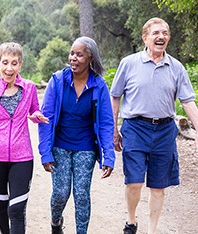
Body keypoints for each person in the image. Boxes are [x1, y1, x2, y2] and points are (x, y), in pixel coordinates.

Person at [110, 17, 198, 234]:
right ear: (145, 38)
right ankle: (131, 222)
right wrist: (113, 130)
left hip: (165, 130)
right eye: (156, 33)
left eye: (165, 33)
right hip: (135, 128)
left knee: (158, 185)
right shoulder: (129, 63)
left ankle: (152, 230)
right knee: (134, 182)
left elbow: (188, 102)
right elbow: (115, 96)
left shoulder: (176, 67)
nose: (161, 37)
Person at [38, 36, 116, 234]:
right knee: (60, 194)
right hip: (60, 147)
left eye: (79, 55)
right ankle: (56, 222)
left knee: (81, 195)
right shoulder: (57, 81)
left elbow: (106, 123)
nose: (73, 58)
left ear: (90, 58)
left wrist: (109, 155)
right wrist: (45, 153)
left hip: (86, 148)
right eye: (72, 53)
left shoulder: (98, 85)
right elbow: (46, 120)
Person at [0, 42, 48, 234]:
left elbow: (34, 110)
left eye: (14, 63)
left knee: (16, 209)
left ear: (20, 65)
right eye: (5, 62)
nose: (9, 68)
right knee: (0, 208)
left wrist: (36, 115)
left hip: (22, 158)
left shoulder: (29, 88)